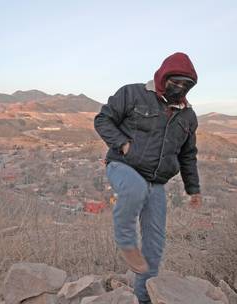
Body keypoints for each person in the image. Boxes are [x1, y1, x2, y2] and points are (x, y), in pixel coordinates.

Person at [93, 52, 202, 303]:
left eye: (186, 85)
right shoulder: (133, 94)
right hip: (123, 166)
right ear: (164, 76)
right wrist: (123, 144)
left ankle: (143, 297)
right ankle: (126, 242)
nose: (180, 88)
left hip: (157, 182)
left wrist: (193, 189)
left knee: (154, 246)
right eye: (176, 82)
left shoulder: (188, 116)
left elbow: (188, 155)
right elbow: (103, 120)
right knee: (134, 190)